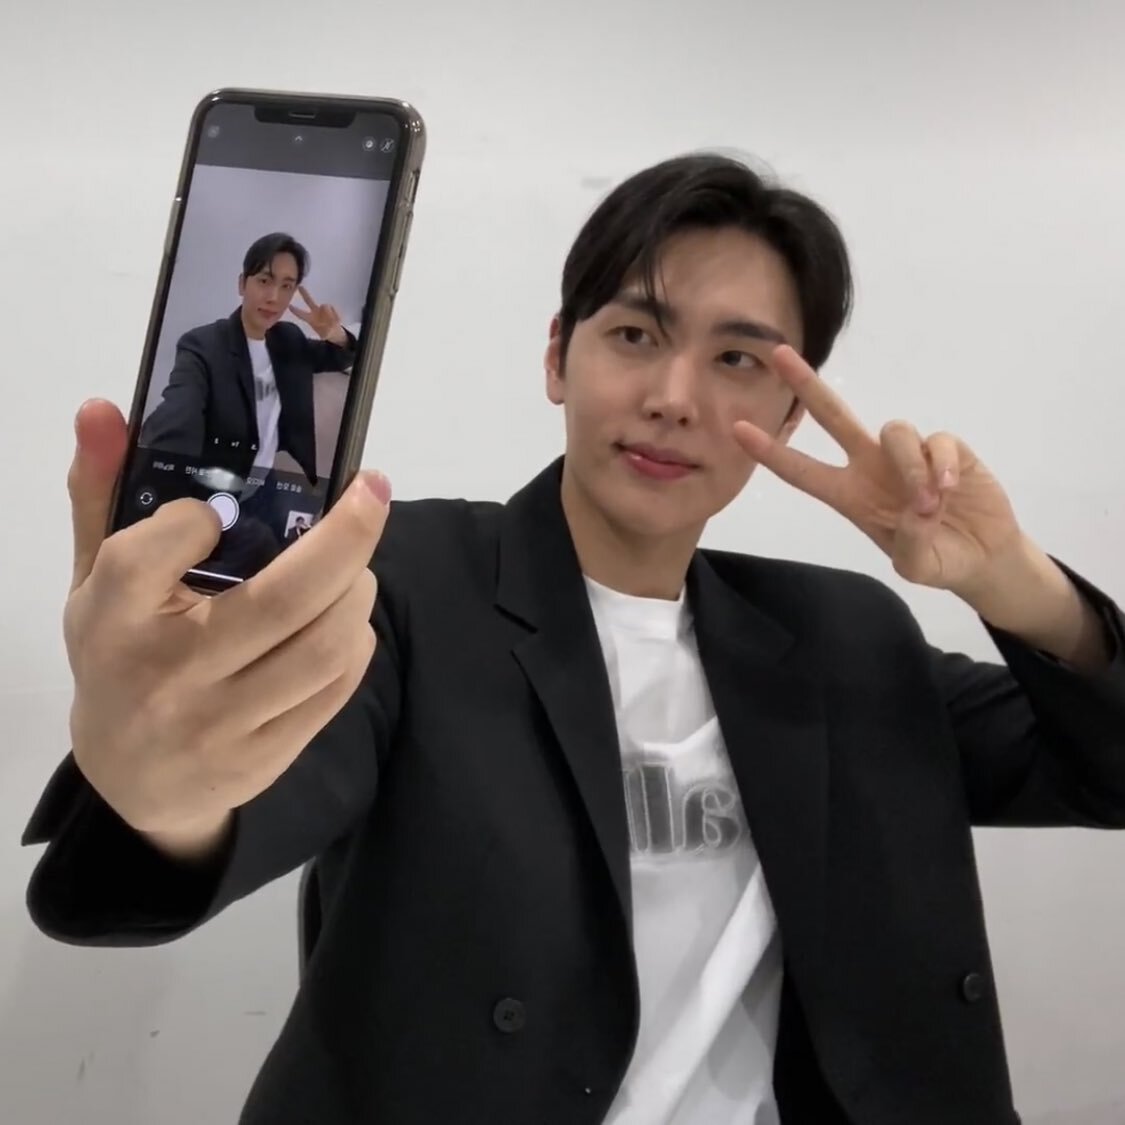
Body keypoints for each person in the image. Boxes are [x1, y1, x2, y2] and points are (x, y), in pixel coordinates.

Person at [22, 154, 1125, 1125]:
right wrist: (162, 790)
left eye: (740, 361)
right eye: (636, 335)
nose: (675, 397)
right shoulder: (404, 585)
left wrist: (1015, 583)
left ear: (791, 417)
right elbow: (256, 785)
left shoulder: (845, 636)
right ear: (558, 357)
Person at [140, 232, 356, 489]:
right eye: (264, 281)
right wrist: (163, 471)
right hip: (217, 488)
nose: (274, 297)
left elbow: (341, 357)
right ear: (242, 284)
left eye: (286, 286)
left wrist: (335, 334)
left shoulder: (288, 338)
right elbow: (179, 413)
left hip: (268, 482)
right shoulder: (203, 345)